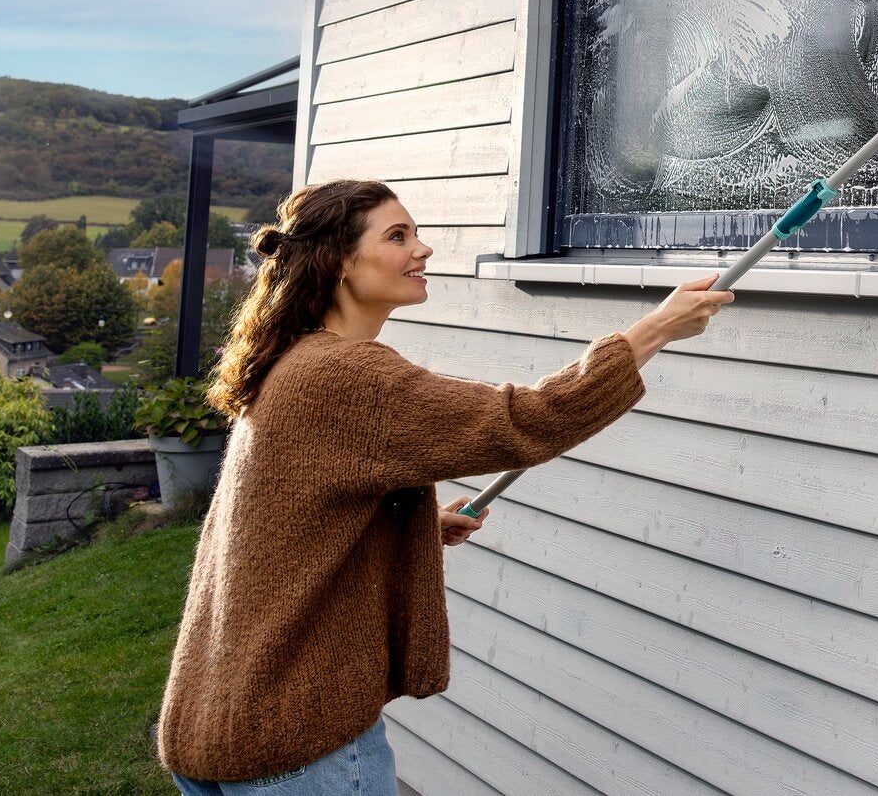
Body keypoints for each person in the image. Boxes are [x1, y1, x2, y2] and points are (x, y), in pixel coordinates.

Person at [157, 178, 731, 794]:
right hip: (297, 745)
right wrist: (656, 330)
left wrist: (415, 528)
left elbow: (281, 528)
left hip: (224, 723)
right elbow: (526, 420)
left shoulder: (293, 360)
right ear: (342, 262)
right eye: (398, 236)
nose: (423, 249)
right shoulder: (346, 375)